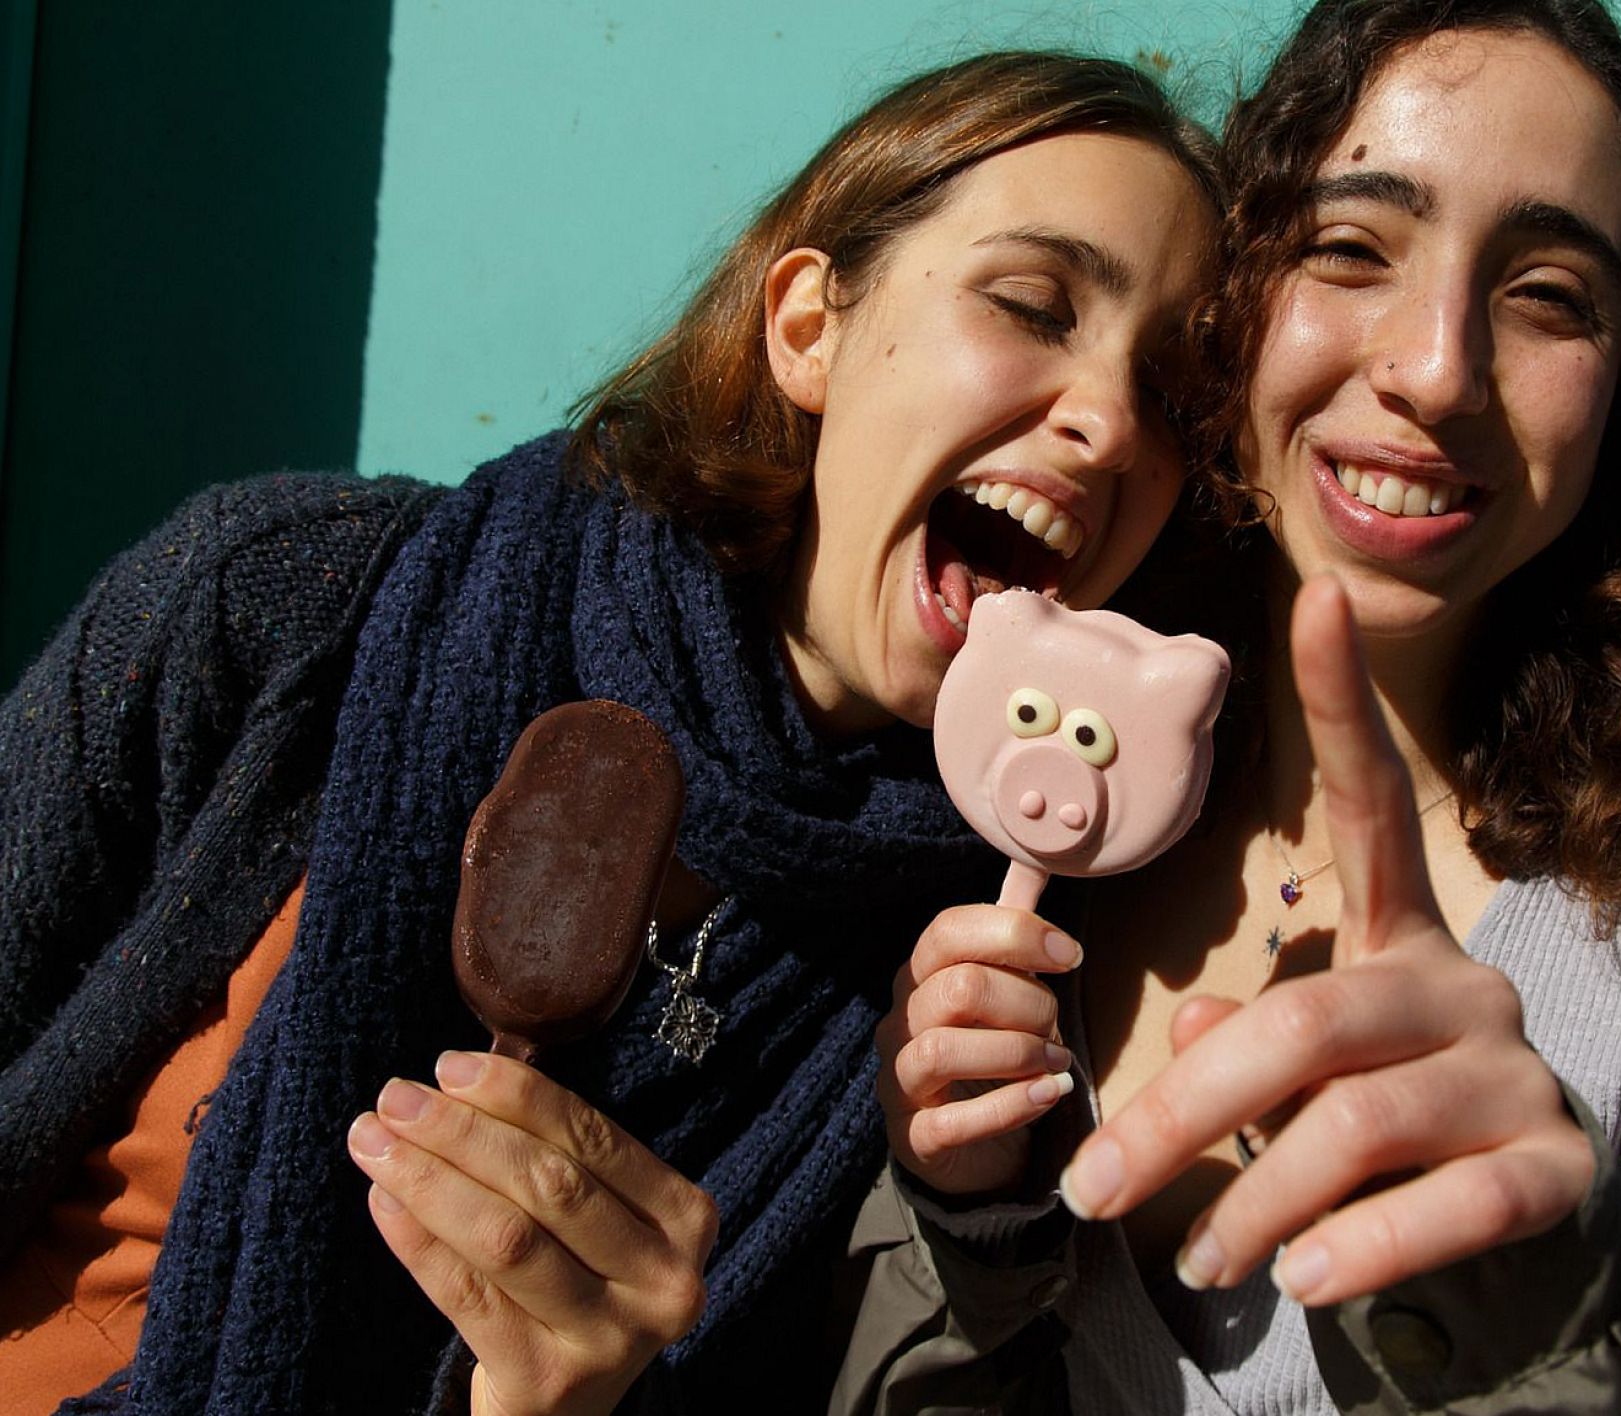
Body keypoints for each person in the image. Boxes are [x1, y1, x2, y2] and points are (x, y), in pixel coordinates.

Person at [0, 51, 1222, 1415]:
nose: (1110, 424)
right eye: (1033, 303)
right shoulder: (288, 605)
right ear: (809, 325)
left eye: (1170, 395)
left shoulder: (974, 1042)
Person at [849, 2, 1621, 1412]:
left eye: (1550, 293)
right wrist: (960, 1225)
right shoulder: (984, 789)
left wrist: (1586, 1281)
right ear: (1231, 304)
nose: (1436, 368)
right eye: (1352, 249)